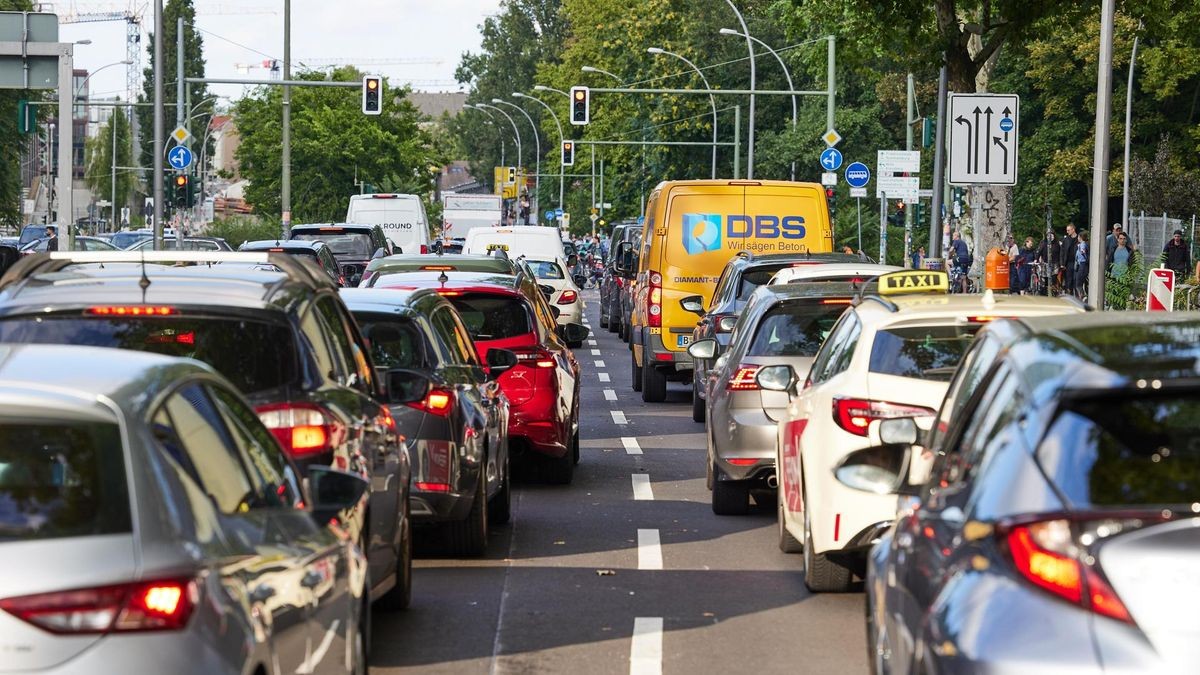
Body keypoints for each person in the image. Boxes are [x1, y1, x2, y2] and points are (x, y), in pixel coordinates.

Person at [1036, 229, 1061, 294]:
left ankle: (1053, 293)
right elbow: (1039, 251)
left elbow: (1061, 254)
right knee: (1045, 280)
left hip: (1055, 264)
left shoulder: (1057, 243)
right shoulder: (1043, 243)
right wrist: (1036, 259)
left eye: (1051, 235)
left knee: (1053, 280)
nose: (1050, 237)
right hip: (1045, 263)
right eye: (1048, 235)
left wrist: (1061, 263)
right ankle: (1045, 294)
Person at [1060, 224, 1078, 294]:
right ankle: (1069, 296)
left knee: (1076, 280)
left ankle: (1076, 297)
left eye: (1068, 230)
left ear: (1073, 230)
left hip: (1077, 262)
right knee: (1068, 281)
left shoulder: (1079, 238)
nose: (1067, 232)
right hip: (1068, 263)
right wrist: (1062, 263)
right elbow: (1062, 252)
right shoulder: (1066, 239)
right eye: (1067, 230)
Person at [1074, 229, 1089, 300]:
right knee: (1079, 282)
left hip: (1082, 265)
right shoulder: (1082, 244)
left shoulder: (1082, 244)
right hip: (1081, 265)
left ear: (1080, 237)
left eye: (1078, 237)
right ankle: (1082, 296)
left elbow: (1083, 252)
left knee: (1078, 283)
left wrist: (1082, 251)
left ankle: (1082, 296)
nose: (1077, 238)